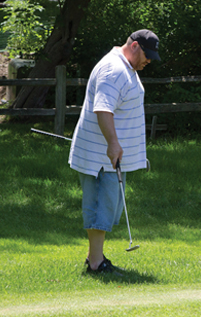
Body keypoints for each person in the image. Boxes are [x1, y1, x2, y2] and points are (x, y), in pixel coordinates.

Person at [68, 29, 161, 275]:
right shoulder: (114, 69)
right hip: (102, 156)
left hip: (111, 155)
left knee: (108, 205)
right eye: (147, 55)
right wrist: (113, 143)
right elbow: (103, 109)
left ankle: (94, 257)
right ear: (134, 46)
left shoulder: (124, 67)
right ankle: (96, 265)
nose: (148, 61)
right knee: (100, 205)